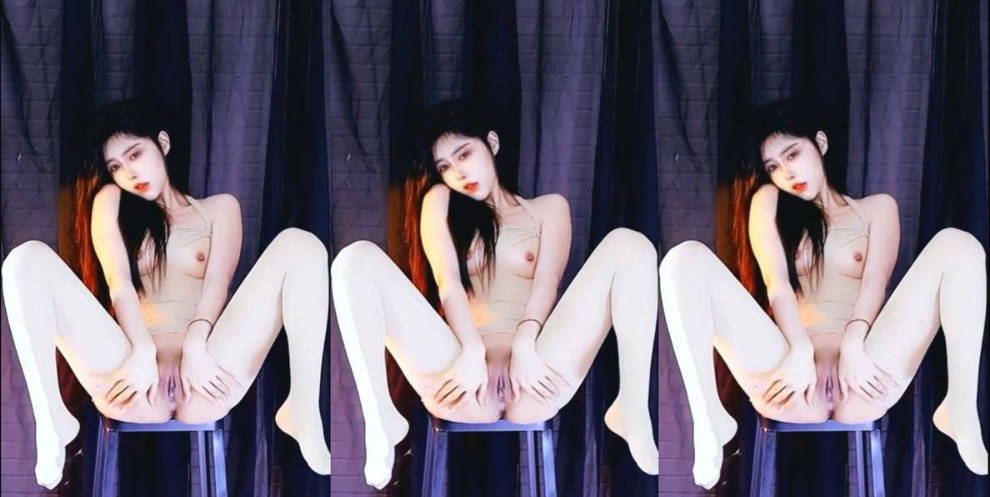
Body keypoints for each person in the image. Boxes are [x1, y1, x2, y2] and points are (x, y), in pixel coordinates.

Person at [1, 99, 332, 489]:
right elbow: (119, 285)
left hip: (206, 376)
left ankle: (303, 406)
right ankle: (51, 417)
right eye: (115, 167)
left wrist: (196, 345)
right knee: (25, 260)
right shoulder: (110, 202)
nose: (128, 173)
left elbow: (217, 285)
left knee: (301, 245)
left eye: (135, 154)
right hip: (132, 378)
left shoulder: (220, 209)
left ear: (162, 143)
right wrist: (142, 352)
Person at [658, 99, 988, 488]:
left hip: (863, 375)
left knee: (958, 245)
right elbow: (777, 283)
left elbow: (875, 284)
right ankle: (708, 416)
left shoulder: (878, 209)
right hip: (790, 378)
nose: (786, 173)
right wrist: (799, 350)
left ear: (821, 143)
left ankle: (960, 406)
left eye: (792, 154)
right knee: (682, 260)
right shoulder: (768, 202)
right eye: (773, 167)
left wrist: (854, 345)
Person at [331, 99, 660, 488]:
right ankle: (379, 417)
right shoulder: (439, 202)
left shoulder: (549, 209)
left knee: (630, 245)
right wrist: (471, 351)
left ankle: (632, 406)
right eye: (445, 167)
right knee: (354, 260)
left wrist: (525, 345)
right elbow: (448, 284)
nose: (458, 173)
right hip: (461, 378)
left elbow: (547, 283)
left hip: (535, 375)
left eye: (464, 154)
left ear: (492, 143)